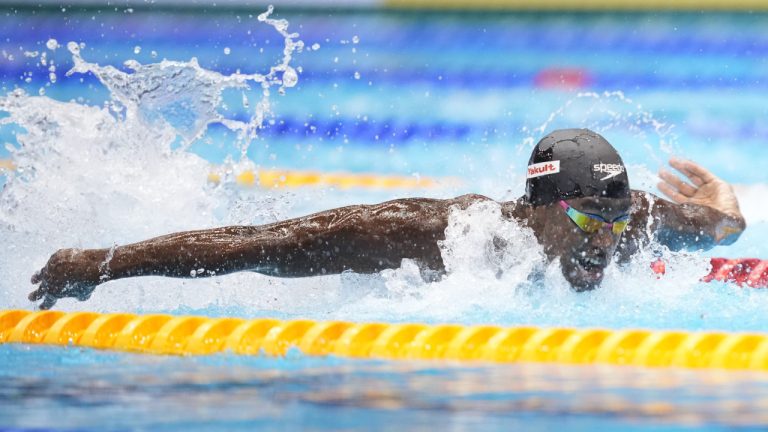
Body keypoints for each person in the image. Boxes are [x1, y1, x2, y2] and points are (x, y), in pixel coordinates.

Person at [29, 129, 746, 309]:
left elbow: (715, 226)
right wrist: (99, 265)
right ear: (540, 211)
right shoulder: (438, 235)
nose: (612, 239)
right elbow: (257, 244)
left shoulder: (632, 222)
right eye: (592, 221)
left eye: (619, 220)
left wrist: (729, 217)